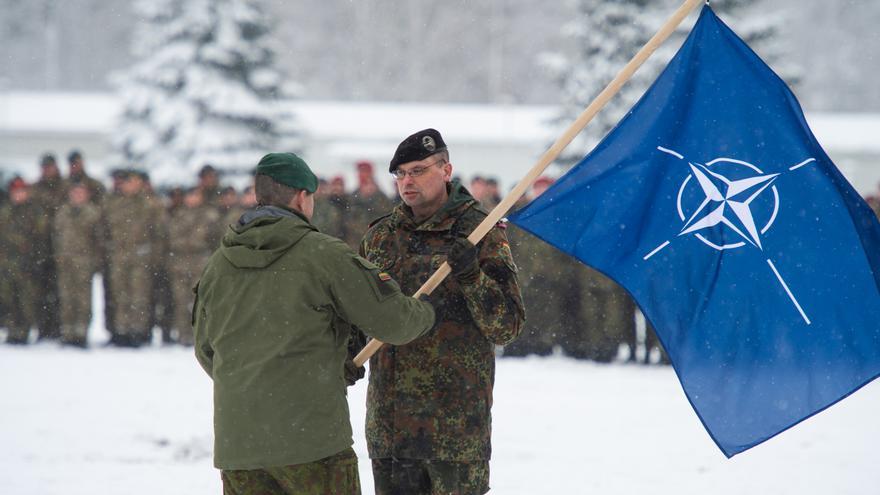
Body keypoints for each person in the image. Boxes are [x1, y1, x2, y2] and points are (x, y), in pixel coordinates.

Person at [193, 152, 436, 495]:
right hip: (312, 441)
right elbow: (394, 322)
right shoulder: (323, 255)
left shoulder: (219, 264)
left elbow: (206, 351)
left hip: (239, 446)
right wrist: (426, 309)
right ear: (303, 198)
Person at [359, 129, 525, 495]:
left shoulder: (479, 232)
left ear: (446, 170)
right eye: (400, 174)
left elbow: (507, 326)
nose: (407, 182)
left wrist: (472, 276)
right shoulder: (380, 237)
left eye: (418, 170)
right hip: (391, 432)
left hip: (454, 433)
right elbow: (358, 315)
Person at [103, 170, 167, 347]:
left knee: (139, 296)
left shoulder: (150, 204)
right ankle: (121, 331)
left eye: (133, 181)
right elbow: (105, 230)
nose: (129, 185)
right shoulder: (114, 204)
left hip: (141, 257)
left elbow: (159, 234)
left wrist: (154, 258)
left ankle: (138, 331)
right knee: (120, 295)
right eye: (126, 182)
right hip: (119, 256)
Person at [53, 183, 104, 347]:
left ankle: (81, 332)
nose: (77, 196)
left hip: (84, 263)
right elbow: (55, 237)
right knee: (66, 298)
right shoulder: (62, 213)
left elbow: (99, 240)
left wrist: (95, 262)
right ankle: (67, 332)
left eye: (81, 193)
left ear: (87, 195)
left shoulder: (93, 214)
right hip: (65, 262)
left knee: (83, 299)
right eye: (74, 193)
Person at [168, 187, 219, 345]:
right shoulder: (177, 214)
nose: (192, 199)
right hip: (180, 261)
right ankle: (183, 334)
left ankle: (199, 335)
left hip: (200, 260)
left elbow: (215, 239)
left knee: (199, 301)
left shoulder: (210, 215)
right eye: (189, 195)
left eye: (196, 195)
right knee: (180, 300)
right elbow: (168, 237)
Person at [0, 178, 47, 344]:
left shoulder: (34, 212)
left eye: (21, 191)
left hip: (26, 265)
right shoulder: (5, 211)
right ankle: (12, 330)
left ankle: (23, 330)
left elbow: (41, 239)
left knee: (25, 300)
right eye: (15, 191)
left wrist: (37, 260)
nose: (18, 195)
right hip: (6, 265)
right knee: (8, 298)